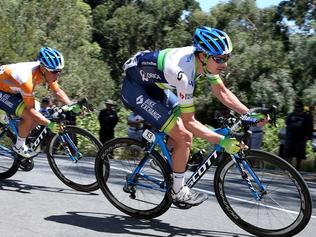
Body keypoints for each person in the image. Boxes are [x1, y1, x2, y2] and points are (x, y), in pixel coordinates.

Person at [121, 26, 268, 206]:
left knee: (180, 126)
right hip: (136, 90)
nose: (225, 64)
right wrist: (221, 141)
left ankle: (168, 161)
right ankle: (177, 191)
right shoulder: (183, 74)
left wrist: (249, 114)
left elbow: (221, 91)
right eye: (220, 59)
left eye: (227, 57)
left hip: (156, 86)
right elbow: (189, 123)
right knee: (185, 136)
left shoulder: (204, 62)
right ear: (203, 56)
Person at [0, 47, 81, 158]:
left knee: (38, 114)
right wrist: (49, 124)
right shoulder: (27, 79)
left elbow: (57, 91)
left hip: (11, 87)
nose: (57, 75)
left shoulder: (46, 72)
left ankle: (14, 122)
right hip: (3, 90)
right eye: (55, 72)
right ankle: (18, 146)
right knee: (30, 116)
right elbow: (31, 110)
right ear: (43, 68)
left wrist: (71, 104)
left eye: (59, 71)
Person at [284, 100, 313, 170]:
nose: (297, 108)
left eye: (298, 107)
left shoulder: (306, 116)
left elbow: (310, 127)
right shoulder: (291, 115)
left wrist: (308, 136)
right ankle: (289, 168)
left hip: (301, 138)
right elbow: (287, 123)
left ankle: (297, 169)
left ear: (301, 107)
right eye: (296, 106)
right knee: (288, 154)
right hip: (291, 137)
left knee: (299, 155)